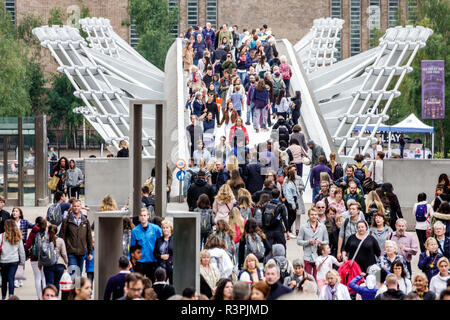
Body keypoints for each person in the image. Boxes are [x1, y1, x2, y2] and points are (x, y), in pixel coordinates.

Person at [60, 199, 93, 279]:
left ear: (81, 207)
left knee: (79, 275)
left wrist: (90, 252)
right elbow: (62, 237)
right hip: (71, 252)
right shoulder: (66, 220)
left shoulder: (85, 221)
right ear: (72, 207)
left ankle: (76, 290)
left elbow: (89, 237)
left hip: (82, 252)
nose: (76, 208)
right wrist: (62, 251)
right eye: (74, 206)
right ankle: (75, 290)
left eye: (78, 206)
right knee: (74, 274)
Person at [129, 208, 162, 282]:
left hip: (153, 261)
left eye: (144, 215)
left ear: (148, 216)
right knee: (138, 282)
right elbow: (132, 247)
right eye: (141, 215)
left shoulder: (156, 229)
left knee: (152, 283)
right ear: (139, 217)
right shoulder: (135, 231)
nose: (143, 217)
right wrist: (130, 260)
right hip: (140, 262)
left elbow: (162, 241)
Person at [297, 207, 329, 279]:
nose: (314, 216)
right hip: (307, 256)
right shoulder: (303, 227)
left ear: (317, 215)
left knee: (317, 276)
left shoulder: (323, 227)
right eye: (312, 214)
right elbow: (298, 241)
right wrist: (308, 242)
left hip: (319, 255)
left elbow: (327, 241)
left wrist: (321, 242)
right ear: (309, 215)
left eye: (315, 214)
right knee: (307, 277)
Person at [0, 220, 26, 300]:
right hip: (14, 261)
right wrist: (22, 263)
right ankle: (11, 296)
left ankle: (3, 297)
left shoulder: (1, 236)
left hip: (3, 261)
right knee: (11, 278)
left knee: (4, 280)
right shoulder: (18, 236)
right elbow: (21, 251)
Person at [43, 224, 68, 293]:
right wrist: (66, 262)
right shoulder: (60, 241)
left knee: (49, 283)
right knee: (57, 283)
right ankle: (55, 297)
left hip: (48, 264)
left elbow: (41, 253)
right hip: (59, 264)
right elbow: (63, 253)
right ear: (57, 232)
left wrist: (40, 263)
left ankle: (49, 296)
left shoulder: (45, 241)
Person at [153, 220, 174, 284]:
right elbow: (155, 253)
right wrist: (161, 256)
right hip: (161, 266)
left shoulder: (175, 239)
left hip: (171, 266)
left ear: (171, 228)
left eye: (167, 227)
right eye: (163, 228)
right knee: (160, 284)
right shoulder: (158, 240)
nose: (165, 229)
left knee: (172, 285)